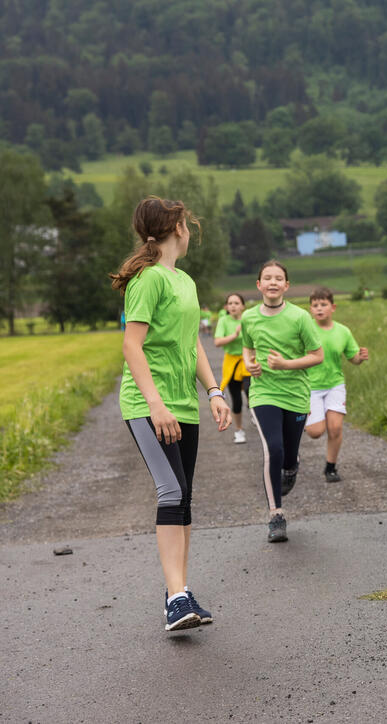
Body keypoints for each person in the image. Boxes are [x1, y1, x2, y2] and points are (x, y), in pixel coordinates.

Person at [110, 196, 232, 632]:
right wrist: (156, 404)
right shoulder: (148, 280)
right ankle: (176, 599)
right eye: (186, 223)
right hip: (150, 405)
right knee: (171, 494)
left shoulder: (184, 281)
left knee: (185, 500)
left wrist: (215, 390)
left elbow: (192, 343)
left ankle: (177, 591)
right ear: (175, 229)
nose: (190, 228)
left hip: (185, 405)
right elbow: (131, 345)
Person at [240, 261, 323, 543]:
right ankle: (276, 515)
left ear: (286, 286)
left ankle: (292, 466)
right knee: (272, 448)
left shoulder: (300, 317)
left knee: (288, 454)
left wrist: (286, 364)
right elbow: (247, 347)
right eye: (267, 278)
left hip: (296, 394)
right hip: (264, 393)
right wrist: (248, 363)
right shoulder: (249, 317)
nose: (273, 282)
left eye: (278, 278)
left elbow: (317, 355)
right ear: (259, 285)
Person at [304, 287, 368, 483]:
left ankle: (330, 467)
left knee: (335, 428)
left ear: (333, 307)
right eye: (315, 305)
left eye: (323, 304)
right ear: (310, 309)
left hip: (335, 385)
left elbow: (353, 358)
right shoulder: (306, 329)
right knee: (315, 432)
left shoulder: (343, 331)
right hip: (310, 386)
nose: (319, 309)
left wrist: (360, 357)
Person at [213, 292, 251, 444]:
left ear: (242, 306)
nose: (233, 306)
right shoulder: (224, 321)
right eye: (230, 303)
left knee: (251, 391)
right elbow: (217, 342)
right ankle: (239, 430)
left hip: (247, 360)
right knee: (236, 400)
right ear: (226, 307)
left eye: (236, 303)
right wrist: (234, 336)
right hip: (231, 362)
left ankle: (254, 411)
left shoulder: (248, 320)